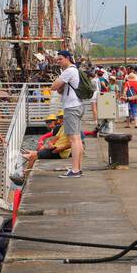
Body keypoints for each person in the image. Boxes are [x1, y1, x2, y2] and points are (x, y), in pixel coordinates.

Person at [51, 49, 89, 178]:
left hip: (71, 107)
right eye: (58, 60)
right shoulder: (75, 70)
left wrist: (59, 80)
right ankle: (78, 168)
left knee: (73, 139)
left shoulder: (68, 71)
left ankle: (75, 170)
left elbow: (54, 86)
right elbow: (62, 90)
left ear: (68, 58)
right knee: (77, 139)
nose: (59, 62)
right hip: (77, 105)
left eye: (60, 59)